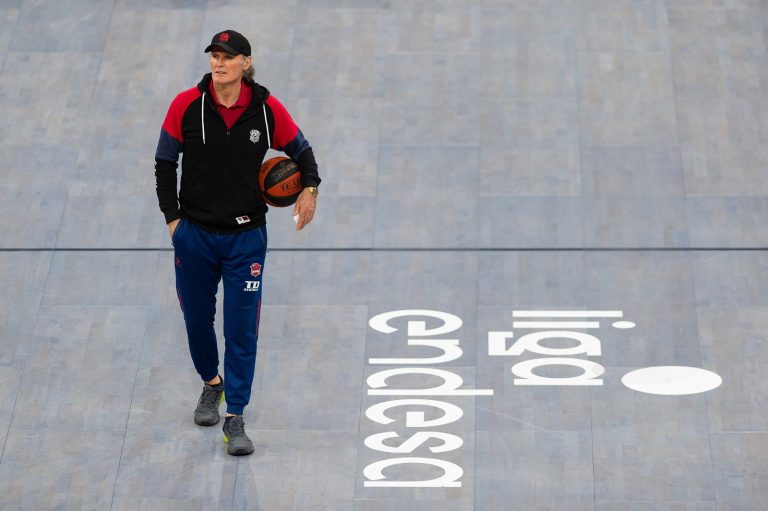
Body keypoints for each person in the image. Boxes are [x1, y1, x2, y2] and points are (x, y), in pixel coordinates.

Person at [154, 29, 320, 456]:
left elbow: (302, 152)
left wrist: (310, 190)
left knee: (242, 330)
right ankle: (212, 383)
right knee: (196, 320)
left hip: (246, 239)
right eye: (214, 55)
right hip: (194, 236)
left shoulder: (266, 110)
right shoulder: (186, 105)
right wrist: (173, 220)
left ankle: (236, 417)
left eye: (227, 56)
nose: (218, 62)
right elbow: (164, 162)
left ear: (246, 62)